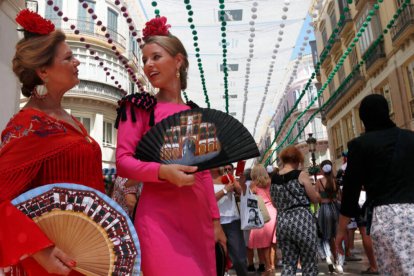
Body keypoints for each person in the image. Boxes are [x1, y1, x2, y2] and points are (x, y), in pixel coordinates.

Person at [115, 16, 225, 275]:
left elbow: (205, 173)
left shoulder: (196, 113)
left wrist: (216, 221)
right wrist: (162, 172)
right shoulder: (138, 107)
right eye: (145, 60)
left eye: (155, 57)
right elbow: (122, 162)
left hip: (198, 219)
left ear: (178, 61)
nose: (148, 65)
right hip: (157, 219)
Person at [0, 9, 104, 275]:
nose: (77, 62)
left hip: (87, 254)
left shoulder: (71, 121)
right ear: (43, 71)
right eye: (68, 57)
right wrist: (40, 249)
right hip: (48, 261)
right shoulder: (28, 126)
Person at [336, 94, 414, 275]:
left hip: (387, 217)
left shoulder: (360, 145)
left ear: (363, 119)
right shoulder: (411, 138)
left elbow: (351, 190)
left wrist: (341, 229)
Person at [270, 145, 320, 275]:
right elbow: (314, 198)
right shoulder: (301, 175)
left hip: (283, 222)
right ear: (298, 160)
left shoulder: (274, 178)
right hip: (302, 222)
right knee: (309, 263)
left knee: (288, 264)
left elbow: (274, 203)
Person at [211, 166, 247, 276]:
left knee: (239, 258)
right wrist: (225, 190)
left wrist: (241, 183)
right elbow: (209, 200)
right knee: (218, 258)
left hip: (232, 221)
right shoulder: (206, 179)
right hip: (214, 222)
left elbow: (242, 193)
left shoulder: (228, 177)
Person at [248, 164, 277, 275]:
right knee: (272, 242)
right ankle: (272, 266)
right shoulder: (270, 182)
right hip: (272, 211)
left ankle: (268, 268)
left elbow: (251, 201)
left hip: (261, 212)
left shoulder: (253, 185)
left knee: (263, 243)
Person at [315, 160, 343, 274]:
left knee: (326, 236)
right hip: (335, 208)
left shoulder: (319, 182)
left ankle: (328, 256)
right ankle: (339, 263)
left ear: (322, 169)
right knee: (338, 236)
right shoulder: (336, 181)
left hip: (324, 209)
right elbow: (340, 198)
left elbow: (317, 198)